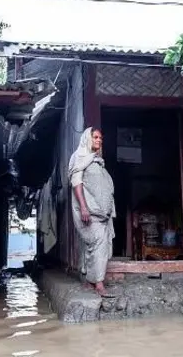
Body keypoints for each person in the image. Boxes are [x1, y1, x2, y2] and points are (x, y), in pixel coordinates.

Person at [68, 127, 116, 297]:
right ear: (87, 139)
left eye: (100, 138)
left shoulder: (97, 160)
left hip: (101, 214)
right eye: (95, 137)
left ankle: (89, 281)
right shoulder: (80, 157)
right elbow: (77, 183)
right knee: (98, 243)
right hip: (88, 211)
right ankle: (99, 284)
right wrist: (83, 207)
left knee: (93, 245)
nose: (99, 140)